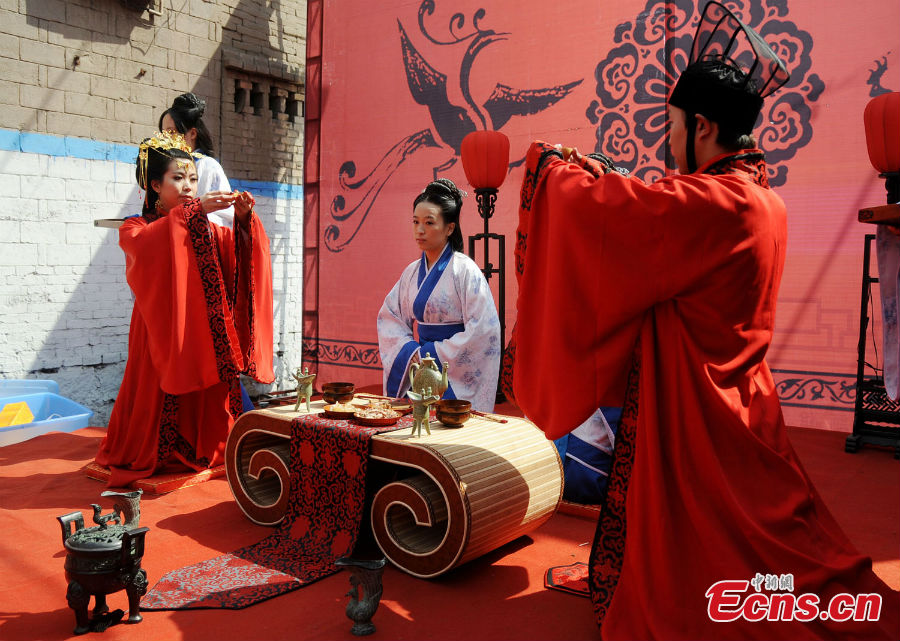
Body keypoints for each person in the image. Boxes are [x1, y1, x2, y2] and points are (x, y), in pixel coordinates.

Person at [508, 3, 899, 639]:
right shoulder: (760, 197)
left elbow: (615, 214)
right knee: (773, 534)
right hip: (746, 394)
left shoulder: (716, 202)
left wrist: (553, 167)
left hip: (702, 406)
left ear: (705, 126)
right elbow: (655, 209)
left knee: (726, 550)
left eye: (673, 126)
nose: (668, 142)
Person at [95, 131, 274, 487]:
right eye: (178, 178)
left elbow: (238, 259)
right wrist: (193, 213)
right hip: (161, 330)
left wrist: (242, 222)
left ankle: (202, 446)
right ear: (154, 185)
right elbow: (147, 248)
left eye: (193, 178)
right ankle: (159, 450)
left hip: (203, 331)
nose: (188, 187)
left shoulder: (205, 227)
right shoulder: (137, 227)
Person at [377, 178, 501, 412]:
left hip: (449, 371)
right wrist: (411, 353)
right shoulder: (411, 272)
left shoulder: (465, 270)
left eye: (429, 223)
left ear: (450, 228)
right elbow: (390, 317)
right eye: (415, 222)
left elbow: (484, 331)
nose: (420, 230)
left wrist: (431, 354)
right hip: (419, 364)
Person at [159, 92, 234, 227]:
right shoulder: (166, 166)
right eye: (163, 134)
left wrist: (192, 213)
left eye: (171, 132)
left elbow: (224, 216)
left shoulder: (208, 166)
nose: (165, 139)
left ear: (192, 133)